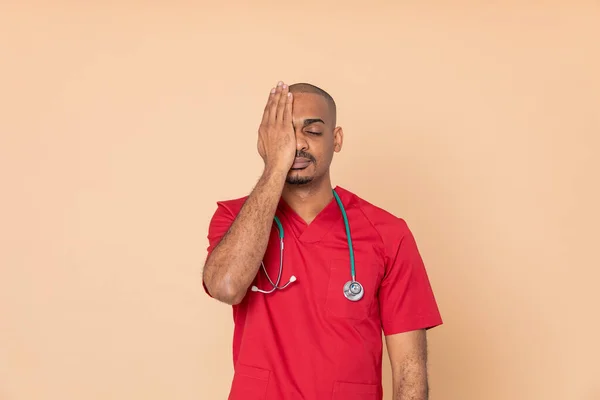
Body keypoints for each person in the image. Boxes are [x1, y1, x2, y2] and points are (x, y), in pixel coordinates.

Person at [202, 81, 443, 400]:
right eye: (284, 135)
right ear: (266, 140)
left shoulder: (387, 232)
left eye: (312, 132)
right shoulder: (235, 219)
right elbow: (226, 287)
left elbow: (409, 370)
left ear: (336, 139)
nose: (297, 145)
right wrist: (275, 166)